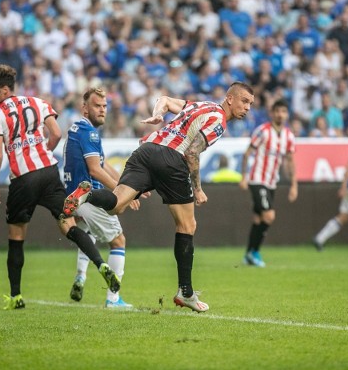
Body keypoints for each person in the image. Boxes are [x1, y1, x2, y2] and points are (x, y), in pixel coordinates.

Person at [63, 81, 255, 312]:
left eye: (251, 104)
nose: (248, 108)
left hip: (146, 149)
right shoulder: (219, 120)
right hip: (172, 158)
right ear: (230, 98)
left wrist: (157, 115)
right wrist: (198, 188)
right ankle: (186, 292)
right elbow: (192, 153)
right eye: (244, 101)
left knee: (116, 205)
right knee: (187, 224)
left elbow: (163, 99)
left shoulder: (199, 105)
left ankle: (88, 194)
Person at [0, 65, 120, 310]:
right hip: (48, 172)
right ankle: (101, 264)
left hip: (23, 178)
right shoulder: (38, 102)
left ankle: (16, 296)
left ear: (4, 90)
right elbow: (56, 133)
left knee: (17, 236)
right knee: (68, 223)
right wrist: (42, 152)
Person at [64, 87, 137, 308]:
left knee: (87, 234)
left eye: (104, 106)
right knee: (118, 240)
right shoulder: (90, 133)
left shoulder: (76, 129)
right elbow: (95, 171)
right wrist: (122, 194)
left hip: (72, 196)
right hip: (88, 196)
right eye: (97, 106)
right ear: (84, 108)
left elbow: (103, 165)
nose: (102, 110)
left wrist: (126, 184)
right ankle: (113, 299)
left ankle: (81, 276)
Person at [239, 99, 298, 267]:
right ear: (272, 113)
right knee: (269, 216)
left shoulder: (288, 136)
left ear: (287, 114)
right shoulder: (263, 131)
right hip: (258, 179)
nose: (280, 114)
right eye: (277, 111)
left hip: (272, 182)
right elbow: (247, 153)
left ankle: (248, 255)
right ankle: (255, 252)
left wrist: (294, 184)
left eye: (283, 111)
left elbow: (290, 160)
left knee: (258, 219)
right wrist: (244, 177)